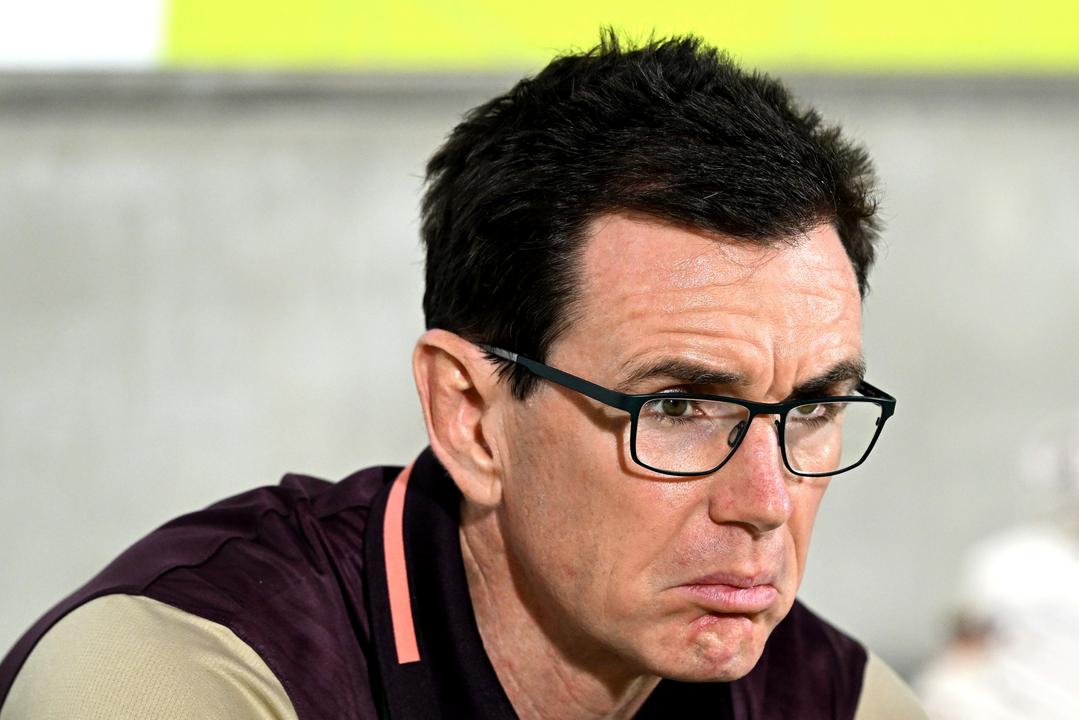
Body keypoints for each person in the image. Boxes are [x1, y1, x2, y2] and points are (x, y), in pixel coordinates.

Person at [0, 33, 925, 719]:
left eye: (810, 408)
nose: (765, 501)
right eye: (681, 405)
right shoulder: (173, 675)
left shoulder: (834, 701)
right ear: (472, 417)